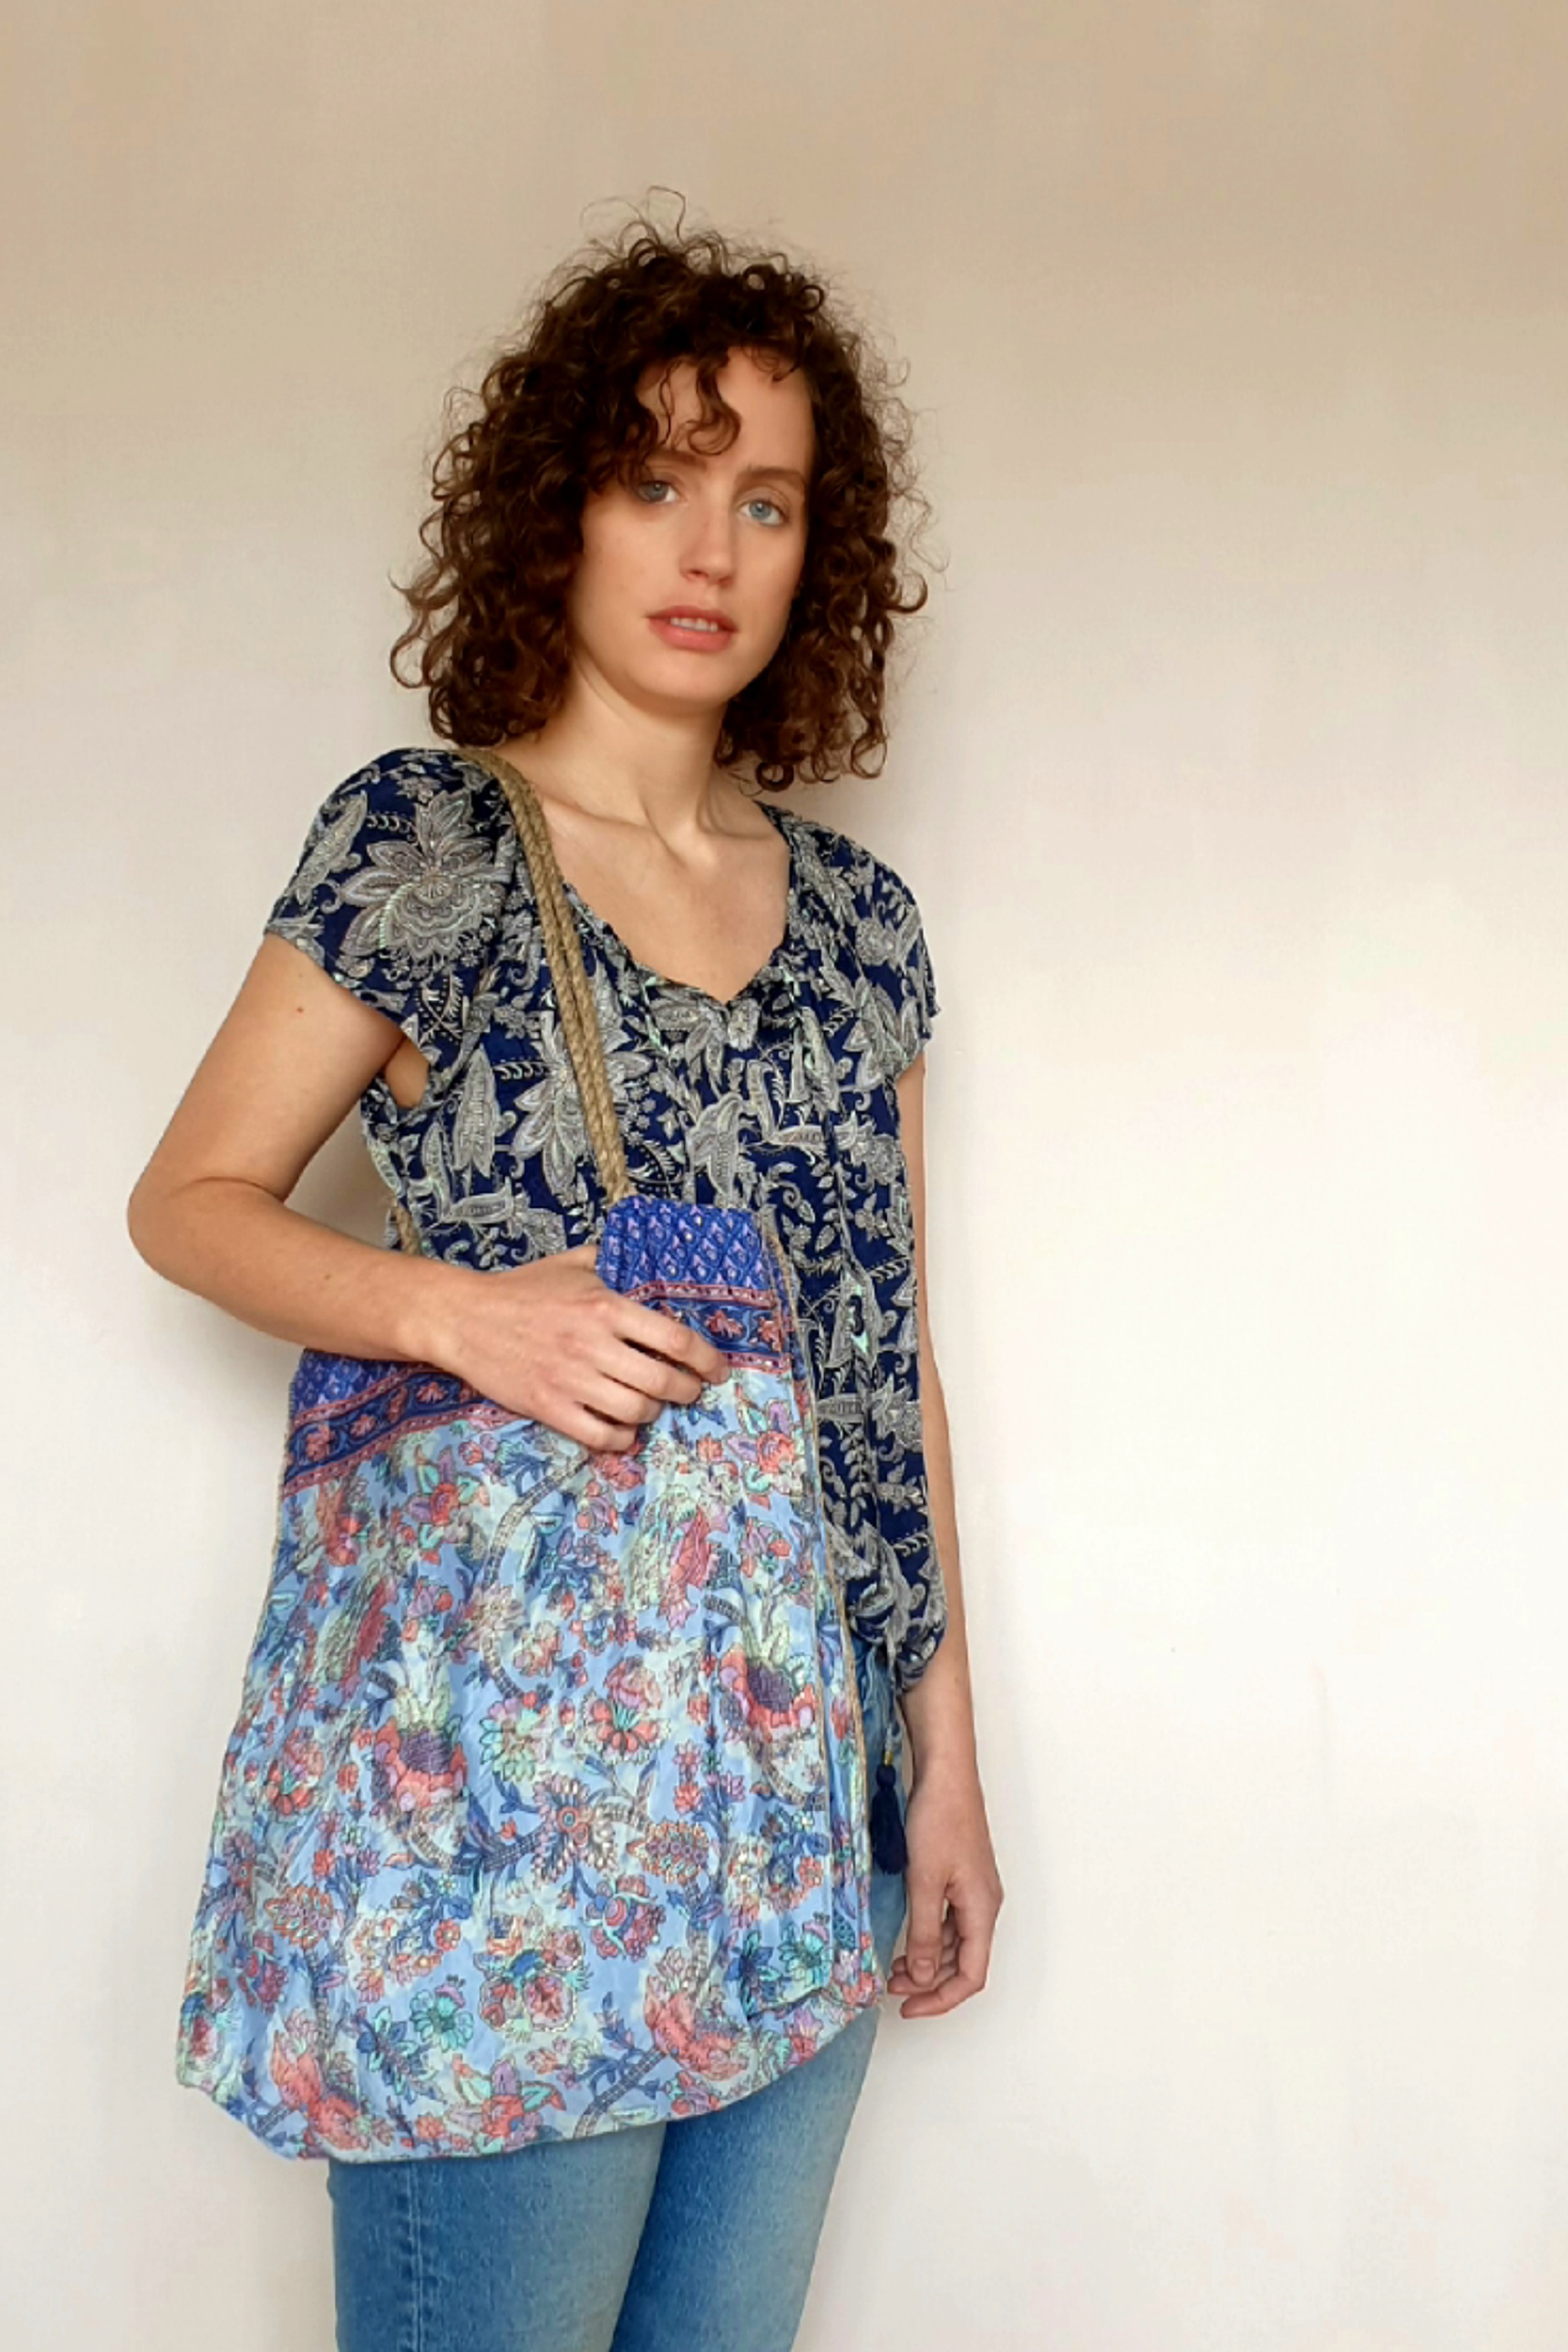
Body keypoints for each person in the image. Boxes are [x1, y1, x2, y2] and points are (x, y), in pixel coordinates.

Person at [128, 211, 1004, 2352]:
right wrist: (465, 1312)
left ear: (817, 553)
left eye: (766, 499)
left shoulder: (863, 927)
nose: (709, 547)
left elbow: (886, 1363)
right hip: (513, 1803)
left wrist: (945, 1758)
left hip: (807, 1785)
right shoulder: (428, 841)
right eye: (654, 479)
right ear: (563, 513)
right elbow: (190, 1201)